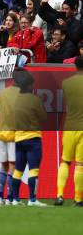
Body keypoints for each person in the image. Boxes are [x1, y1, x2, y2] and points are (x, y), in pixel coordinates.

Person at [9, 69, 47, 206]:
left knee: (18, 170)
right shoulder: (35, 100)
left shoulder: (15, 100)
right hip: (33, 139)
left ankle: (15, 199)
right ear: (30, 86)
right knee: (33, 169)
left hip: (18, 139)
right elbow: (44, 117)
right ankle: (32, 199)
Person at [56, 56, 83, 207]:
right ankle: (78, 199)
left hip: (70, 126)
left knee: (65, 161)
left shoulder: (67, 83)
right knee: (80, 164)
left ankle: (60, 195)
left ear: (75, 66)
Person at [0, 80, 17, 205]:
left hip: (1, 132)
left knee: (3, 165)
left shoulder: (2, 94)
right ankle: (9, 198)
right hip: (13, 133)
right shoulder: (21, 95)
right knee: (12, 166)